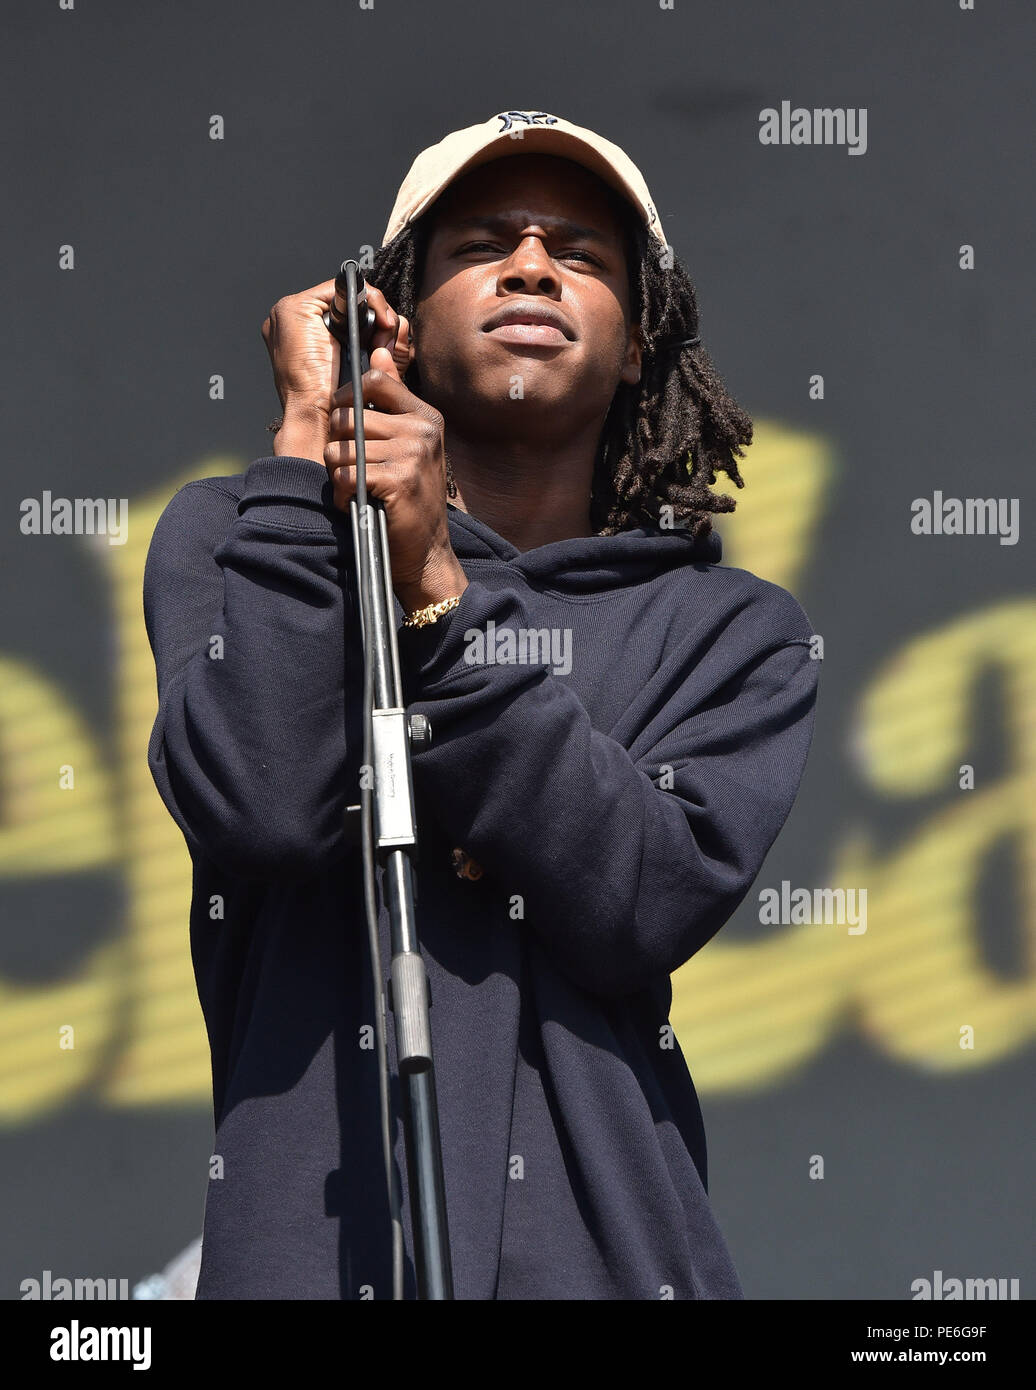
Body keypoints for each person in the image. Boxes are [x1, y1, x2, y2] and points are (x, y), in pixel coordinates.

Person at [143, 109, 820, 1300]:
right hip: (304, 1261)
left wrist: (439, 610)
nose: (529, 264)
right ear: (394, 321)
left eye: (580, 252)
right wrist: (312, 453)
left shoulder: (727, 628)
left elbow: (637, 896)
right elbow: (259, 803)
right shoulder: (244, 533)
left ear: (634, 346)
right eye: (481, 245)